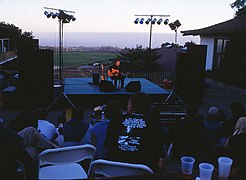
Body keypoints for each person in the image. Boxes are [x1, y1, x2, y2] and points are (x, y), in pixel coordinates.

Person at [105, 92, 165, 172]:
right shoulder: (155, 127)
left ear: (131, 106)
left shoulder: (114, 122)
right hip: (144, 173)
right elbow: (160, 157)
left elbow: (108, 147)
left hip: (114, 171)